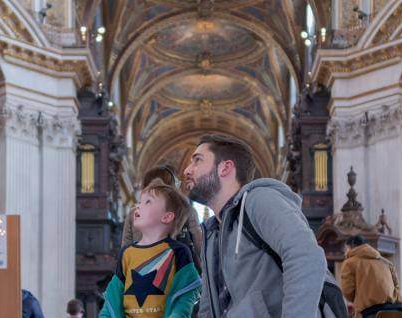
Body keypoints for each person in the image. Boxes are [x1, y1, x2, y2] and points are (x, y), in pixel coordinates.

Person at [183, 134, 327, 318]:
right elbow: (209, 305)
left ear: (225, 168)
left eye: (197, 161)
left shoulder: (259, 200)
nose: (187, 170)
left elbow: (306, 257)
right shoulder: (211, 232)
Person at [99, 179, 201, 318]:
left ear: (166, 217)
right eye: (139, 202)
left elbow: (187, 290)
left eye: (147, 202)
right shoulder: (127, 253)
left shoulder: (178, 252)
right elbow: (114, 294)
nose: (137, 206)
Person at [121, 165, 203, 270]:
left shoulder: (134, 212)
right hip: (179, 268)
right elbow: (199, 243)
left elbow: (125, 246)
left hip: (141, 269)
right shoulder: (185, 210)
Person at [340, 235, 402, 318]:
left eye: (346, 248)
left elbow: (348, 292)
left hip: (370, 313)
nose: (345, 252)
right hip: (396, 311)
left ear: (351, 246)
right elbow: (397, 286)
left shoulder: (349, 263)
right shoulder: (386, 262)